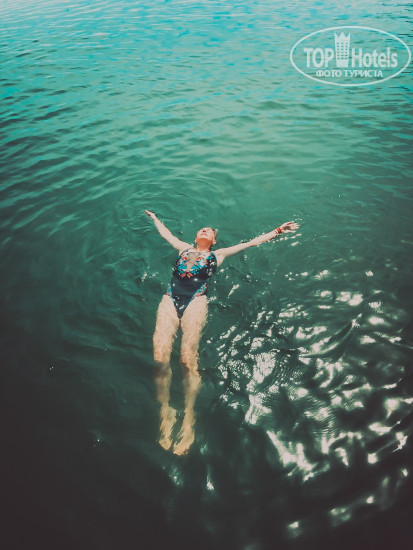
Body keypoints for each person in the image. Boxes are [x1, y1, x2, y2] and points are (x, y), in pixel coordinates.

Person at [144, 210, 299, 455]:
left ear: (214, 240)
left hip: (196, 301)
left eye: (209, 231)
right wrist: (154, 218)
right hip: (170, 298)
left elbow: (251, 243)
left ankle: (189, 417)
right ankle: (166, 411)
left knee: (186, 360)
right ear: (196, 236)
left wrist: (278, 231)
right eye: (202, 229)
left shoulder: (219, 254)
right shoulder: (183, 248)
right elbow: (167, 235)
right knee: (159, 357)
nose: (205, 230)